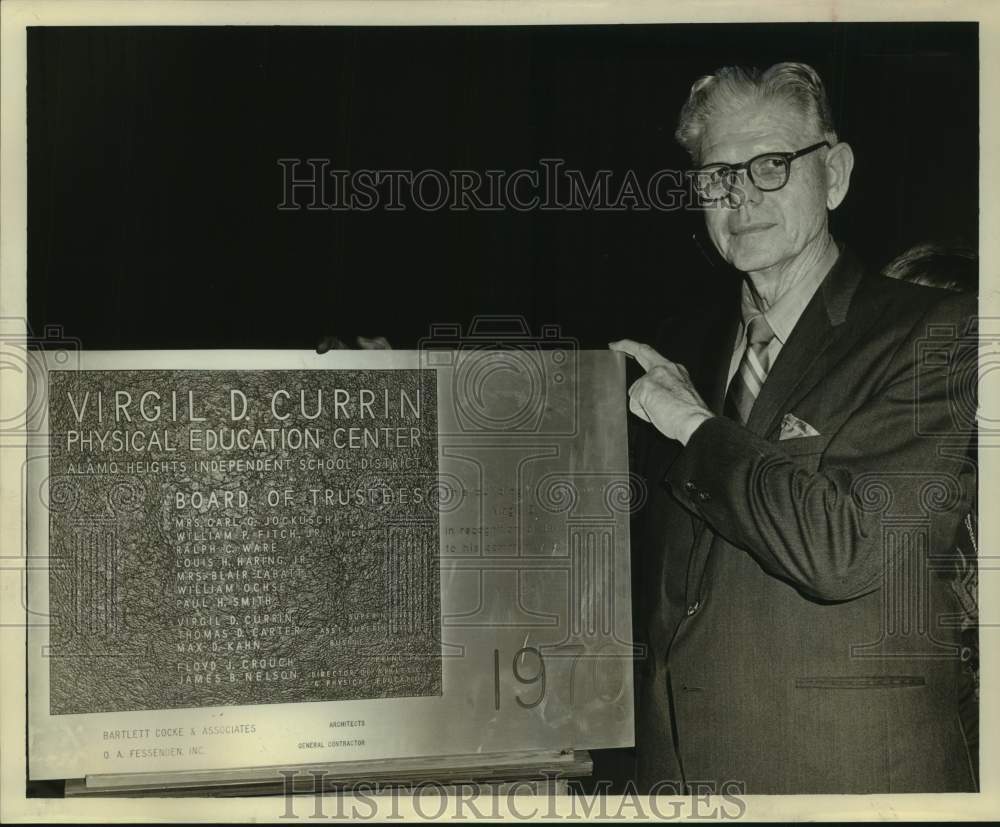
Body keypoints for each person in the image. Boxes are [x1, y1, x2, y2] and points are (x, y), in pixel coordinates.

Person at [611, 63, 978, 793]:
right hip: (679, 781)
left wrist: (695, 424)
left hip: (844, 778)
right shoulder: (684, 347)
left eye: (771, 164)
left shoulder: (939, 333)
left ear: (834, 174)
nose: (740, 194)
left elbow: (841, 546)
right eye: (717, 174)